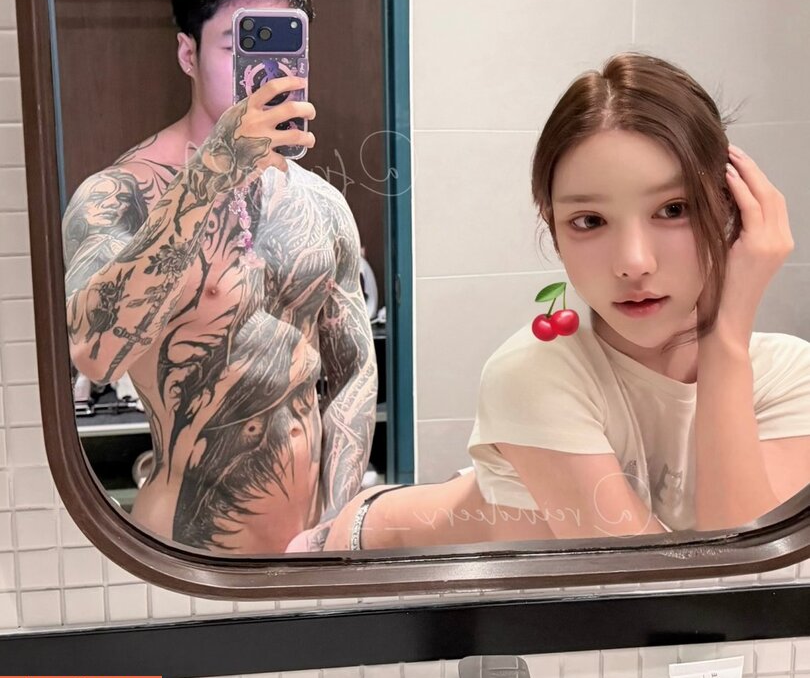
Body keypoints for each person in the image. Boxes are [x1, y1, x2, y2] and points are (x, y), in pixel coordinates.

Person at [320, 52, 810, 552]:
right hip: (361, 558)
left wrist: (725, 340)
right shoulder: (534, 372)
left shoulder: (789, 377)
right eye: (590, 221)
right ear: (553, 226)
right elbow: (678, 581)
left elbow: (750, 573)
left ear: (734, 207)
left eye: (673, 209)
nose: (633, 263)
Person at [62, 0, 377, 554]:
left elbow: (352, 375)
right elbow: (96, 354)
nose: (264, 74)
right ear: (188, 53)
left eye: (286, 49)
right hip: (183, 559)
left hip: (312, 550)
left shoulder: (321, 204)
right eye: (239, 48)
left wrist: (336, 529)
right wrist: (212, 174)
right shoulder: (118, 196)